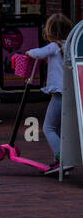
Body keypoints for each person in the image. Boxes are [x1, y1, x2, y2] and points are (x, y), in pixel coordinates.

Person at [28, 13, 73, 171]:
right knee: (59, 128)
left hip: (59, 94)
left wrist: (28, 53)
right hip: (70, 94)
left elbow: (37, 53)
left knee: (48, 128)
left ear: (50, 32)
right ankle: (58, 160)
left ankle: (63, 158)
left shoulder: (54, 47)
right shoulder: (69, 46)